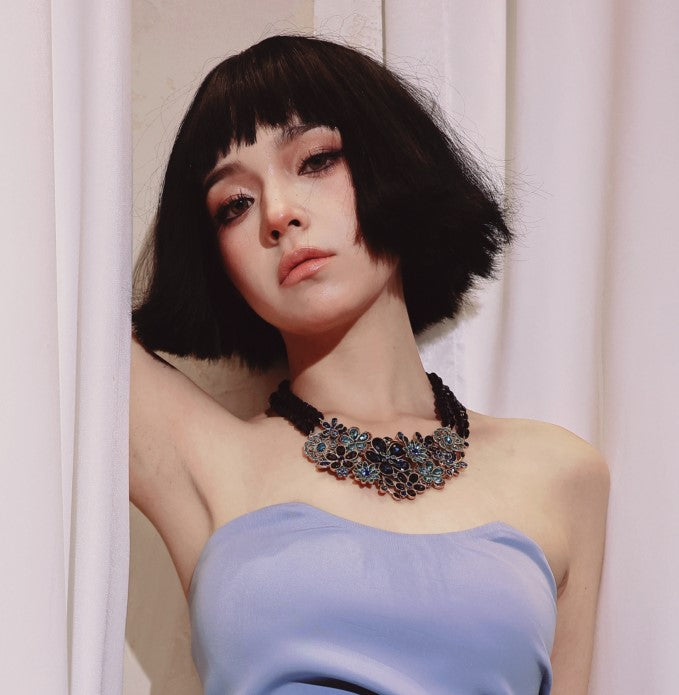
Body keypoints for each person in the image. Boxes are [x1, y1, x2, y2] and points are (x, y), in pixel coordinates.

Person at [129, 33, 609, 695]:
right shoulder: (204, 459)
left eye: (316, 159)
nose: (278, 214)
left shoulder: (562, 474)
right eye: (234, 204)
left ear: (392, 163)